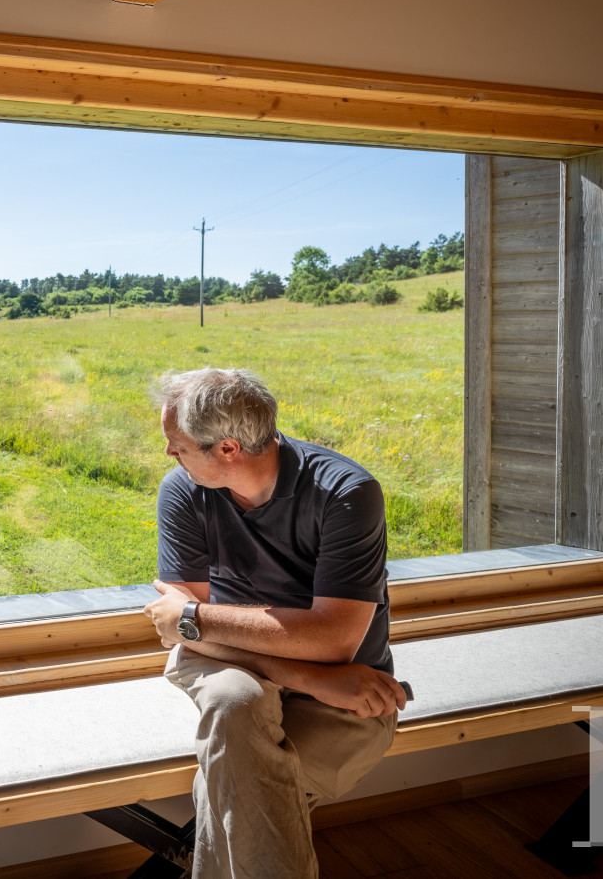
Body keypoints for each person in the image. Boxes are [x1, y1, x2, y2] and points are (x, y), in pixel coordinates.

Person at [145, 368, 407, 878]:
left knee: (238, 788)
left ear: (226, 449)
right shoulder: (184, 490)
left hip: (353, 694)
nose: (169, 455)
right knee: (234, 699)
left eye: (177, 445)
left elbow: (332, 639)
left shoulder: (345, 494)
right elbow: (177, 631)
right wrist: (307, 674)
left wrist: (198, 619)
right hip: (304, 677)